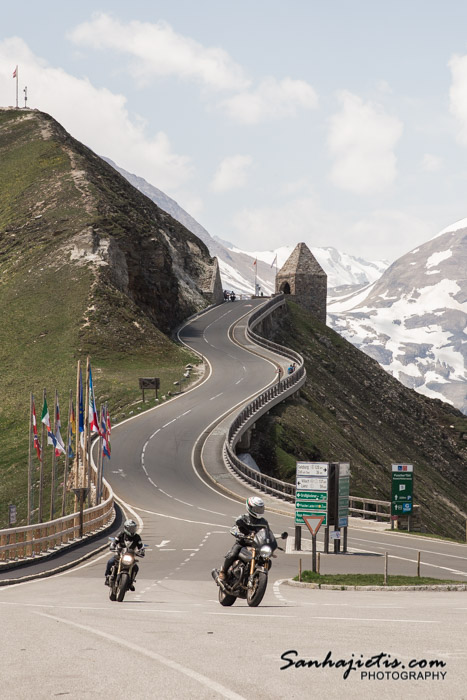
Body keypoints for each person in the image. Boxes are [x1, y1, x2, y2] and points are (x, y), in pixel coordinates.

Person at [218, 496, 269, 581]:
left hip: (256, 546)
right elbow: (234, 528)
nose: (259, 511)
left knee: (266, 560)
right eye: (257, 509)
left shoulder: (264, 522)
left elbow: (267, 533)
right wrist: (238, 533)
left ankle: (256, 577)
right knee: (232, 555)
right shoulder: (242, 518)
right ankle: (223, 571)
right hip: (242, 543)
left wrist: (270, 541)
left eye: (260, 509)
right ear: (250, 508)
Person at [105, 518, 145, 590]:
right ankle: (107, 576)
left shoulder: (137, 537)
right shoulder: (121, 534)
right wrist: (112, 546)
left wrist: (141, 551)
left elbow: (140, 546)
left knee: (136, 568)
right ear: (126, 528)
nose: (132, 530)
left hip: (131, 555)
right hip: (120, 554)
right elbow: (115, 542)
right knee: (110, 561)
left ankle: (131, 582)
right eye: (130, 528)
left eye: (133, 528)